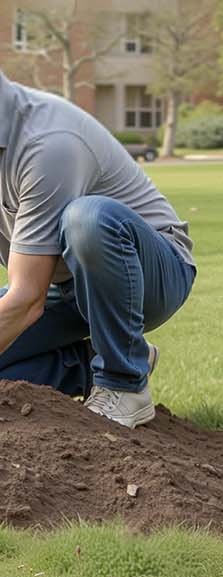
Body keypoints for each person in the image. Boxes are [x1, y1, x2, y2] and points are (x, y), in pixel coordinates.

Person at [0, 73, 195, 427]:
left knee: (87, 219)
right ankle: (103, 359)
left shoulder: (47, 142)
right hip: (61, 288)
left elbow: (26, 299)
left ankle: (124, 383)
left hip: (151, 275)